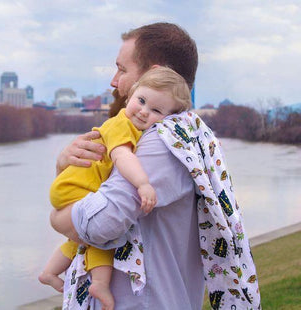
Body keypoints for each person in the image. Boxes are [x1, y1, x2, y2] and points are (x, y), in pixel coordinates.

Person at [50, 22, 260, 310]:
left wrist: (57, 216)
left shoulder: (162, 142)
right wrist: (66, 167)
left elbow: (100, 224)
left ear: (153, 75)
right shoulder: (184, 135)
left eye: (122, 69)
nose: (114, 81)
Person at [39, 66, 192, 310]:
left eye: (156, 110)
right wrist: (143, 184)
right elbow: (122, 157)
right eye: (141, 101)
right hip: (76, 187)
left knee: (80, 237)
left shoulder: (140, 129)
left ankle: (49, 271)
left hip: (71, 186)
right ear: (131, 94)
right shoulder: (121, 124)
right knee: (102, 236)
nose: (143, 112)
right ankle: (100, 283)